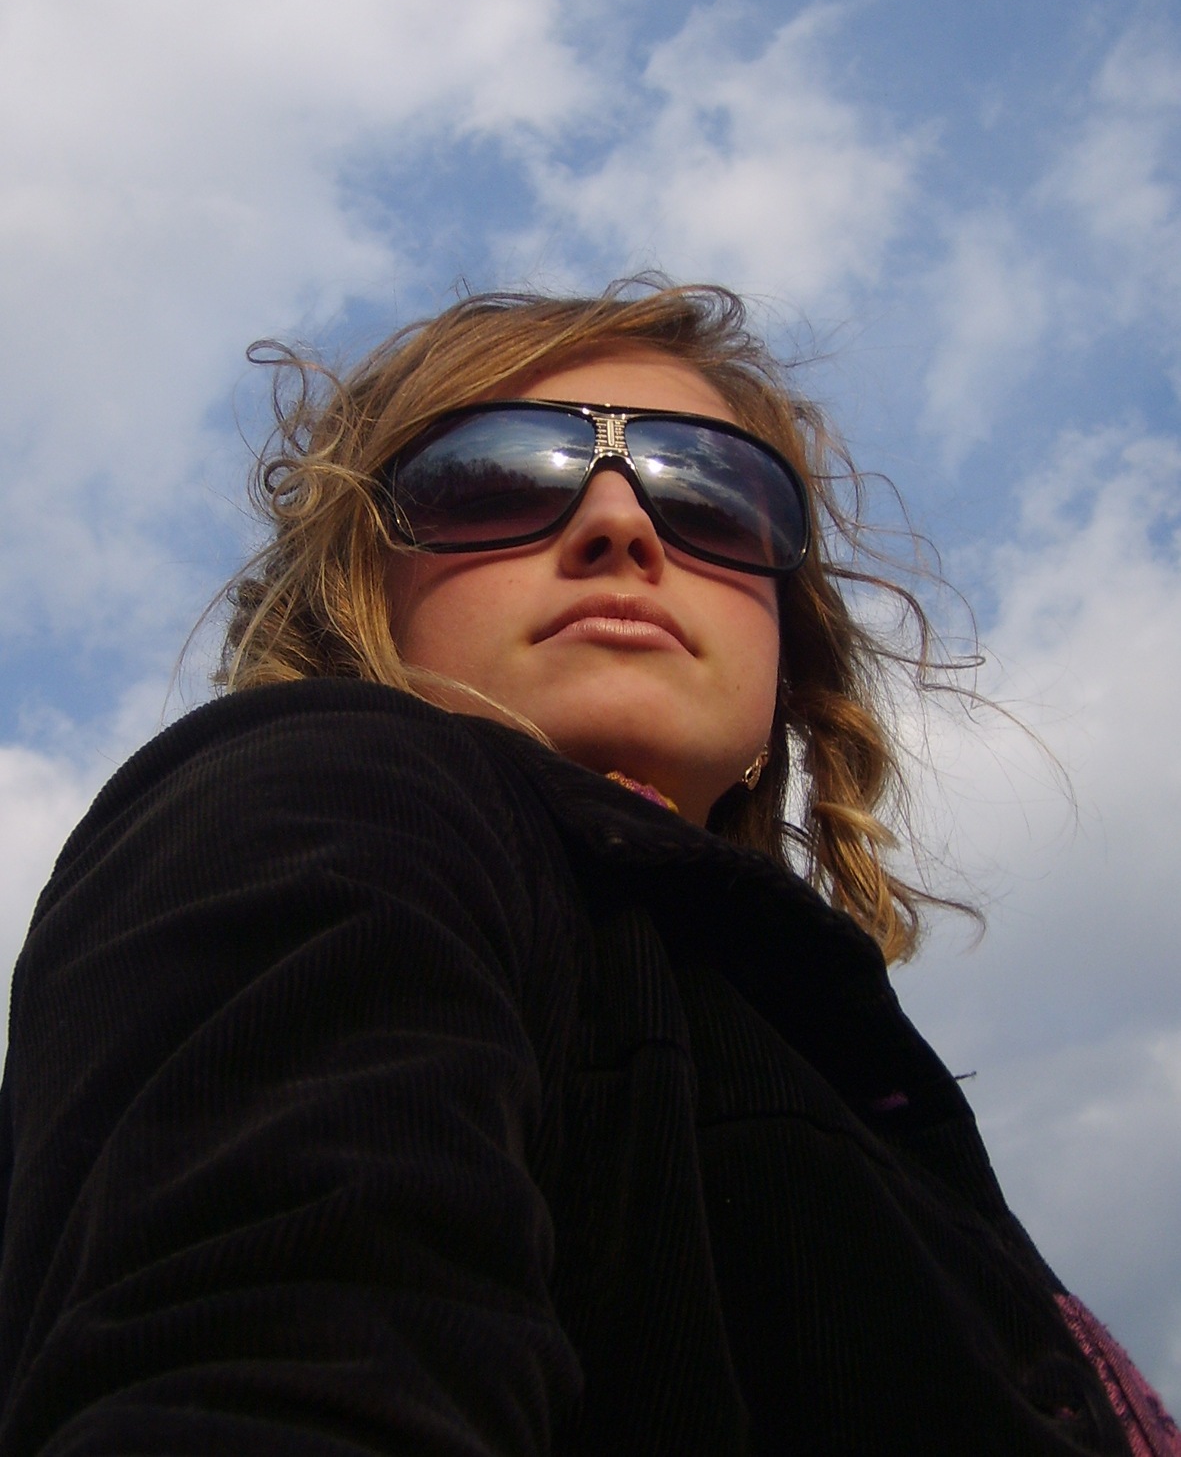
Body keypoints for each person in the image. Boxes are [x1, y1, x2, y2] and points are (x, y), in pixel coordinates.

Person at [0, 279, 1175, 1456]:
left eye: (711, 495)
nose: (620, 522)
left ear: (785, 644)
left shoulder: (802, 1037)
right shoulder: (321, 789)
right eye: (492, 478)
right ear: (361, 590)